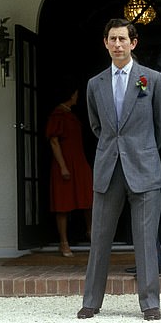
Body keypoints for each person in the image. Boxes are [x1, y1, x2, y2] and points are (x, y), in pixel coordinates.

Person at [77, 18, 161, 321]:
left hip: (144, 167)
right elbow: (96, 125)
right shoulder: (95, 84)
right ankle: (91, 301)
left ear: (134, 43)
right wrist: (115, 148)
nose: (117, 44)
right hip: (108, 168)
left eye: (123, 39)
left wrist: (142, 148)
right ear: (105, 43)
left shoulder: (151, 79)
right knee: (100, 238)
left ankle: (150, 304)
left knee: (146, 239)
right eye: (112, 39)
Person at [46, 87, 93, 257]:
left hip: (79, 162)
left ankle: (91, 232)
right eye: (76, 93)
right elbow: (54, 141)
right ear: (70, 94)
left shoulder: (71, 113)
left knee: (87, 198)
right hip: (64, 163)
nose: (77, 96)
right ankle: (63, 242)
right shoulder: (58, 114)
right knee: (63, 204)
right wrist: (63, 166)